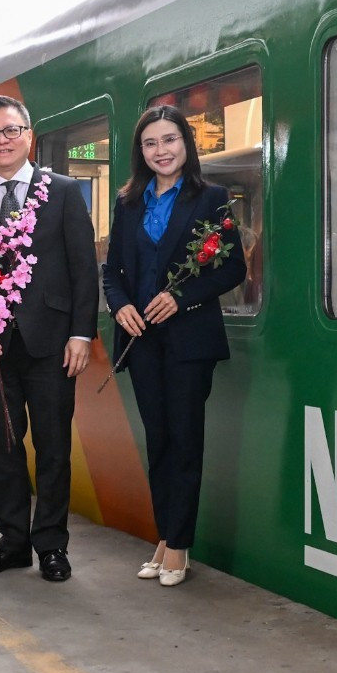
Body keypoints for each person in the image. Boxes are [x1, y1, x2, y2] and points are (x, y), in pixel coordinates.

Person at [0, 94, 98, 583]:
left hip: (53, 346)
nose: (2, 141)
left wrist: (81, 333)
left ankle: (52, 545)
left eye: (10, 130)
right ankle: (12, 542)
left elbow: (84, 269)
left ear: (29, 135)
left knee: (54, 449)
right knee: (3, 449)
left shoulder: (62, 192)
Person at [100, 106, 247, 586]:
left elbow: (231, 270)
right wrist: (119, 305)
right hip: (140, 339)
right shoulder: (127, 202)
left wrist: (179, 298)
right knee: (159, 440)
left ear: (187, 144)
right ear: (140, 152)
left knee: (184, 441)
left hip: (189, 342)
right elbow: (113, 272)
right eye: (150, 143)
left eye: (169, 140)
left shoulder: (212, 198)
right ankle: (165, 536)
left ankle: (179, 545)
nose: (161, 151)